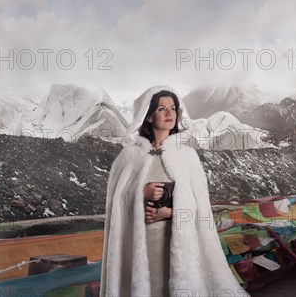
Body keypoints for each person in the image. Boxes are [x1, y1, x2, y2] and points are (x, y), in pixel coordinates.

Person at [100, 85, 249, 297]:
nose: (170, 113)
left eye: (173, 108)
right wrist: (141, 192)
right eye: (162, 108)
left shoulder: (186, 156)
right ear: (149, 116)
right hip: (140, 242)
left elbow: (201, 210)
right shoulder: (128, 157)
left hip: (177, 241)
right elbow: (116, 202)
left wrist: (170, 213)